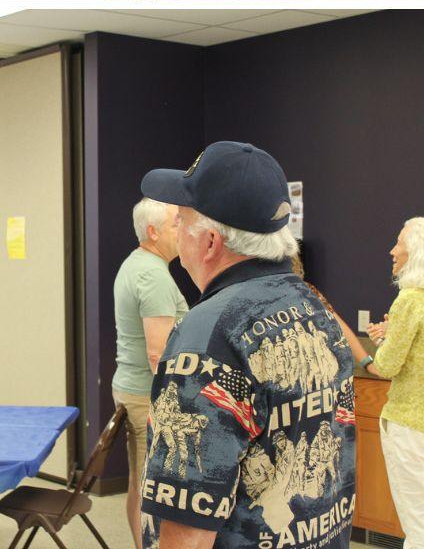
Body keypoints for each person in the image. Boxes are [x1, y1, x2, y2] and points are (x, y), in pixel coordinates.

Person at [139, 142, 355, 548]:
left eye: (181, 220)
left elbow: (187, 529)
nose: (178, 232)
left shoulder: (207, 335)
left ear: (209, 243)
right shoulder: (314, 307)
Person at [112, 199, 188, 549]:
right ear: (153, 232)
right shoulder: (152, 275)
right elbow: (159, 353)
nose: (182, 229)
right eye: (176, 223)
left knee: (138, 481)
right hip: (148, 396)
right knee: (150, 486)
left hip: (132, 389)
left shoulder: (138, 264)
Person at [363, 217, 424, 546]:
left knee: (418, 525)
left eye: (399, 242)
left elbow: (386, 366)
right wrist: (393, 333)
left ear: (413, 251)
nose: (392, 250)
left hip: (409, 428)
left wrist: (380, 345)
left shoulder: (409, 300)